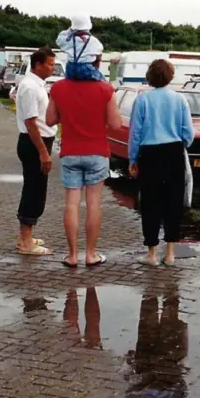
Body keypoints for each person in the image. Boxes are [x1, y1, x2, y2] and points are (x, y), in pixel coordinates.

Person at [46, 54, 121, 268]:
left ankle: (72, 256)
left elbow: (49, 120)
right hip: (97, 152)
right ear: (96, 64)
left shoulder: (59, 88)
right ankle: (90, 254)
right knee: (93, 203)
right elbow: (115, 124)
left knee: (71, 203)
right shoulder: (106, 89)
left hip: (70, 151)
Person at [128, 59, 194, 266]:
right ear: (170, 76)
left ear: (150, 76)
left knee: (150, 203)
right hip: (173, 151)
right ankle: (171, 253)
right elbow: (188, 132)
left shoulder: (142, 100)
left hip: (150, 154)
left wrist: (133, 158)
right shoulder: (180, 99)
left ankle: (152, 253)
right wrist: (181, 144)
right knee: (173, 202)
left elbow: (135, 133)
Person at [15, 47, 58, 256]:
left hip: (40, 141)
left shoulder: (37, 85)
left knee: (36, 189)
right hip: (34, 143)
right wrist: (43, 151)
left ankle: (27, 235)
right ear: (38, 65)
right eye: (50, 64)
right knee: (33, 190)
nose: (53, 68)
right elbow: (31, 123)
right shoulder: (30, 87)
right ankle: (26, 241)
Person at [56, 14, 105, 81]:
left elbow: (58, 40)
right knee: (104, 82)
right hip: (85, 69)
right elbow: (99, 53)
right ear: (89, 26)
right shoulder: (94, 41)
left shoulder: (68, 40)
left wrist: (70, 30)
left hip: (70, 68)